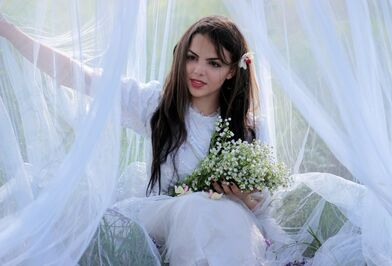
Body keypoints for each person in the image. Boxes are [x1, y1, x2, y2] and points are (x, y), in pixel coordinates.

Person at [0, 14, 287, 265]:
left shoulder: (250, 129)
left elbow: (262, 205)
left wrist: (243, 198)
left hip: (228, 226)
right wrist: (7, 29)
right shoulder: (156, 105)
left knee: (225, 213)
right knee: (197, 206)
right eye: (191, 57)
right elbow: (77, 76)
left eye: (213, 63)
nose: (198, 70)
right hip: (160, 214)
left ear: (231, 72)